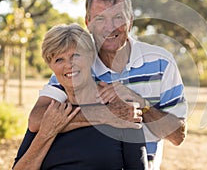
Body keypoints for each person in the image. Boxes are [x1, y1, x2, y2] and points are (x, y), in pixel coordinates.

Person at [29, 0, 188, 170]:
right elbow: (36, 120)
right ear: (87, 22)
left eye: (118, 17)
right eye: (100, 18)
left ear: (130, 21)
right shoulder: (75, 64)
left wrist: (140, 104)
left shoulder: (161, 62)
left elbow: (178, 136)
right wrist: (107, 114)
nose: (109, 27)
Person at [13, 24, 147, 169]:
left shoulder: (120, 110)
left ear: (90, 56)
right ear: (50, 66)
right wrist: (47, 133)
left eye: (75, 55)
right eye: (59, 60)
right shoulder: (50, 113)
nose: (69, 65)